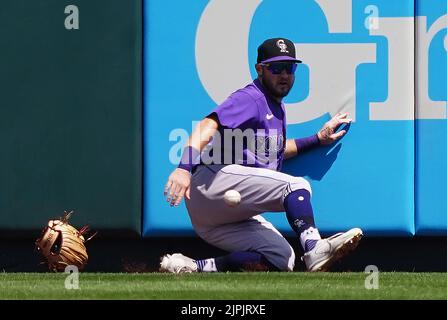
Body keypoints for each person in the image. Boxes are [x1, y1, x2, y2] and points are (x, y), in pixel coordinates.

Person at [160, 38, 362, 273]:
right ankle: (314, 246)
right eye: (276, 68)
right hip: (211, 184)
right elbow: (207, 125)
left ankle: (193, 267)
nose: (284, 75)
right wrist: (184, 168)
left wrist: (317, 139)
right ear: (260, 69)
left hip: (217, 218)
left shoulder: (276, 106)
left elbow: (273, 151)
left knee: (282, 259)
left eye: (290, 68)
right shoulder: (251, 98)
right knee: (296, 186)